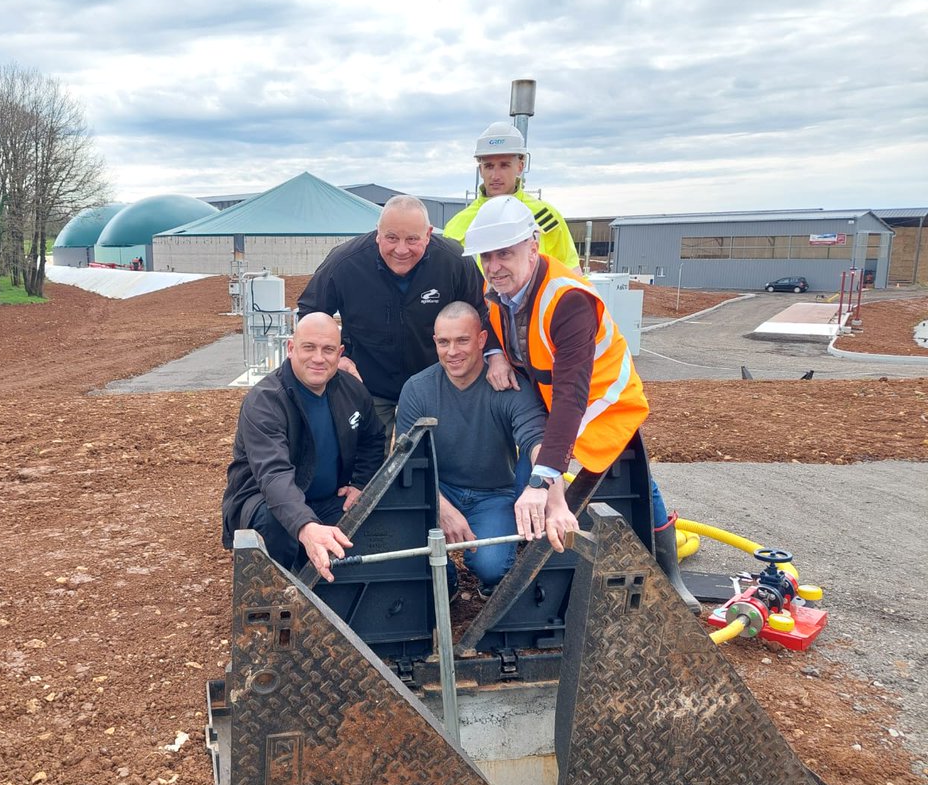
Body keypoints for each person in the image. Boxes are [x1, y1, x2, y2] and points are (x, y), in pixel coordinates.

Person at [463, 195, 699, 612]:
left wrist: (544, 482)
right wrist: (494, 353)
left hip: (601, 399)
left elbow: (573, 393)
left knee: (630, 477)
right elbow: (490, 318)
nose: (494, 265)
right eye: (487, 256)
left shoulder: (568, 299)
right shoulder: (495, 286)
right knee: (536, 483)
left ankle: (668, 572)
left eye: (505, 253)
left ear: (533, 247)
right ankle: (533, 576)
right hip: (551, 397)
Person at [397, 303, 576, 595]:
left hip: (493, 494)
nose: (452, 351)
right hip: (437, 490)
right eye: (444, 342)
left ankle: (493, 579)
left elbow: (536, 441)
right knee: (403, 544)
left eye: (462, 340)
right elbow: (407, 461)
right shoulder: (418, 390)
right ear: (435, 343)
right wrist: (441, 507)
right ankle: (447, 585)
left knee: (491, 565)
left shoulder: (508, 387)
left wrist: (549, 493)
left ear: (481, 340)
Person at [297, 195, 511, 439]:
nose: (401, 249)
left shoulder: (453, 262)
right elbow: (310, 313)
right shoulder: (345, 263)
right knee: (369, 463)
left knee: (434, 458)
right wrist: (338, 359)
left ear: (428, 234)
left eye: (412, 239)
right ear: (378, 233)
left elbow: (483, 313)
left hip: (434, 384)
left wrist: (495, 356)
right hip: (368, 383)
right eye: (391, 238)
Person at [221, 313, 387, 581]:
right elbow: (273, 475)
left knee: (367, 533)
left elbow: (373, 437)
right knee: (275, 525)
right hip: (264, 500)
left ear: (340, 352)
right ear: (290, 348)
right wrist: (305, 525)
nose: (318, 358)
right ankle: (274, 591)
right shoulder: (264, 402)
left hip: (328, 499)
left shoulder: (352, 390)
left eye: (328, 349)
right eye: (309, 347)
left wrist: (360, 483)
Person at [443, 121, 580, 273]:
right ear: (481, 170)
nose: (495, 175)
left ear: (520, 167)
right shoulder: (456, 226)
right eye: (489, 166)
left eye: (504, 165)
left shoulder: (547, 219)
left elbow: (573, 276)